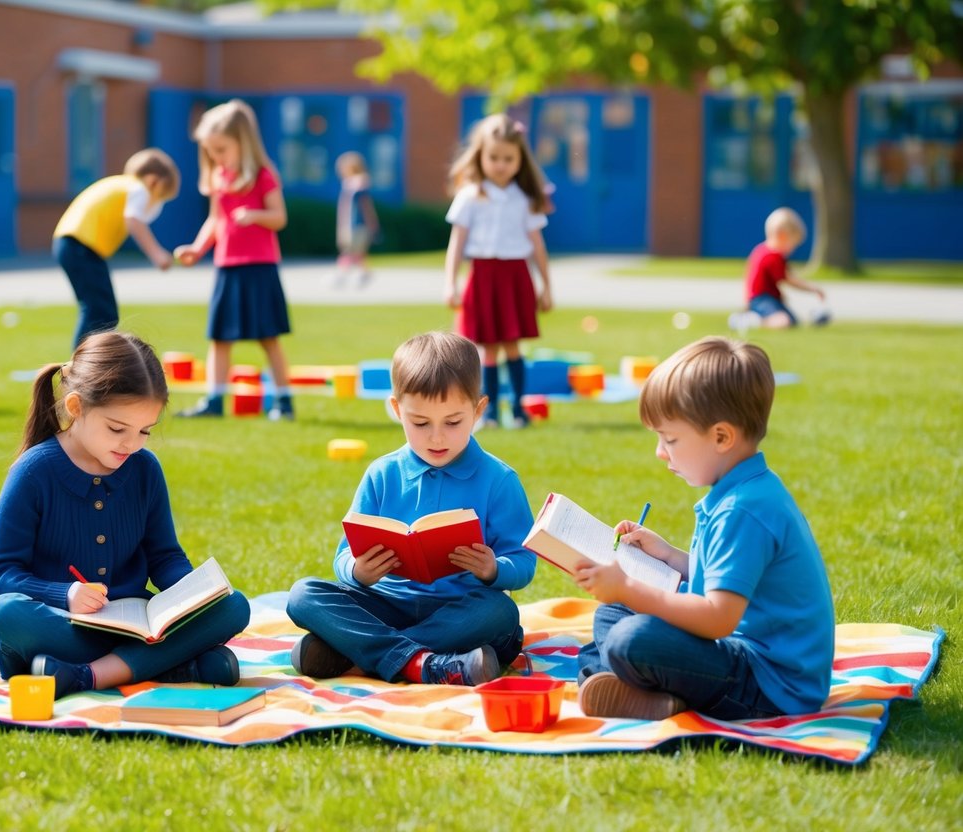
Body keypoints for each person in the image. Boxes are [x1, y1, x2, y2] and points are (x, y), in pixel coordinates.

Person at [573, 336, 835, 721]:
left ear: (721, 437)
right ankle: (629, 692)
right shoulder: (742, 491)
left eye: (671, 439)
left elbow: (717, 617)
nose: (660, 452)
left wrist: (630, 586)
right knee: (612, 614)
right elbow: (725, 578)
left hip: (771, 686)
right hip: (739, 654)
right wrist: (668, 555)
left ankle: (617, 685)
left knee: (631, 638)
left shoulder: (744, 511)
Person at [0, 331, 250, 698]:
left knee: (234, 606)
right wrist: (67, 593)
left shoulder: (145, 470)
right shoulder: (34, 472)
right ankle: (172, 665)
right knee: (7, 614)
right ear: (76, 407)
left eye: (145, 432)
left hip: (134, 622)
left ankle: (83, 675)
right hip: (64, 624)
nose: (132, 443)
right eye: (117, 429)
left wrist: (191, 595)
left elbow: (164, 555)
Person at [287, 331, 536, 686]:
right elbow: (344, 556)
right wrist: (358, 572)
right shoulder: (382, 473)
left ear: (479, 410)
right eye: (420, 423)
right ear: (397, 410)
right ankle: (427, 664)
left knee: (500, 612)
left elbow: (524, 561)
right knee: (303, 595)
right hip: (387, 605)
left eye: (453, 422)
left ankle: (359, 655)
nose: (437, 437)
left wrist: (494, 569)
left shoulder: (499, 480)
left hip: (460, 611)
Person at [174, 99, 294, 420]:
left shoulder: (264, 176)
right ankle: (214, 401)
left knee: (268, 336)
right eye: (211, 150)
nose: (215, 156)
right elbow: (215, 220)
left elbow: (279, 217)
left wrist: (254, 215)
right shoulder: (219, 178)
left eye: (221, 149)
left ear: (243, 141)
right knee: (219, 337)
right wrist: (197, 249)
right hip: (227, 266)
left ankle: (284, 402)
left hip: (259, 266)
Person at [444, 114, 552, 430]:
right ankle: (489, 412)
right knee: (486, 348)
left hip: (515, 277)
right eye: (494, 157)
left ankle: (518, 409)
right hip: (482, 276)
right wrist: (449, 282)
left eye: (508, 158)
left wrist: (546, 286)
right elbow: (457, 243)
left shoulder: (526, 200)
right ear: (481, 156)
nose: (501, 164)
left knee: (512, 345)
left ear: (520, 160)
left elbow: (537, 247)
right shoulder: (470, 196)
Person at [53, 148, 180, 347]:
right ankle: (83, 367)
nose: (157, 203)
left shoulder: (123, 186)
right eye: (160, 196)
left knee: (101, 311)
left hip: (75, 245)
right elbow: (134, 220)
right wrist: (156, 254)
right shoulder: (138, 189)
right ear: (153, 181)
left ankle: (87, 364)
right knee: (100, 312)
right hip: (80, 246)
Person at [731, 207, 829, 331]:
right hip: (762, 300)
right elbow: (788, 279)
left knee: (793, 321)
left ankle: (753, 317)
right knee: (783, 321)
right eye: (793, 244)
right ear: (782, 236)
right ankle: (749, 320)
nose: (792, 250)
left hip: (765, 298)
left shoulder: (760, 249)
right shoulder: (773, 256)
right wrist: (812, 289)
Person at [333, 151, 379, 288]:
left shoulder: (359, 184)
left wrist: (372, 224)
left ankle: (341, 274)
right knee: (356, 252)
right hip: (348, 224)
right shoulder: (348, 184)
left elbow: (366, 207)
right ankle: (364, 273)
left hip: (358, 225)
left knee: (350, 251)